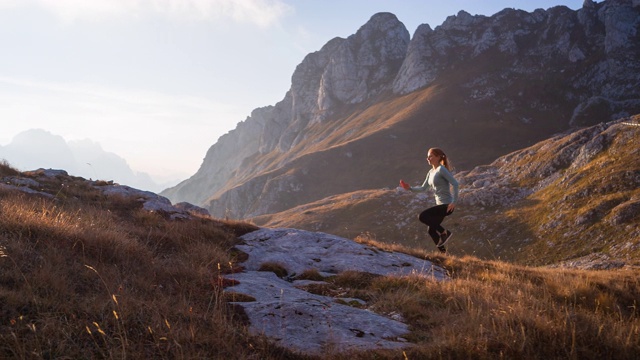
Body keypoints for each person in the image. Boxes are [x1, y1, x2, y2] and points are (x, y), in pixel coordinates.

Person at [400, 147, 459, 253]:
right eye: (427, 156)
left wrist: (454, 202)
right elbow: (423, 188)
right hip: (440, 205)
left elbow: (455, 183)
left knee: (422, 216)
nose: (428, 158)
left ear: (438, 157)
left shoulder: (441, 169)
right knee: (431, 230)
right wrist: (409, 188)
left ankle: (444, 232)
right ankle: (444, 255)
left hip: (447, 205)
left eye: (430, 156)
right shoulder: (431, 172)